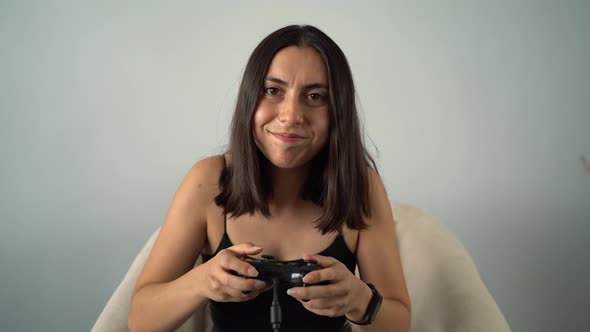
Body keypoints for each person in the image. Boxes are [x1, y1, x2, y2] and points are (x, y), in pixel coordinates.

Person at [128, 24, 410, 332]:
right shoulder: (207, 180)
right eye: (273, 91)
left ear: (337, 111)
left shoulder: (362, 186)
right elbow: (141, 320)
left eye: (315, 96)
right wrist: (202, 281)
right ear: (250, 98)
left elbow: (399, 322)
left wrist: (360, 300)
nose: (291, 115)